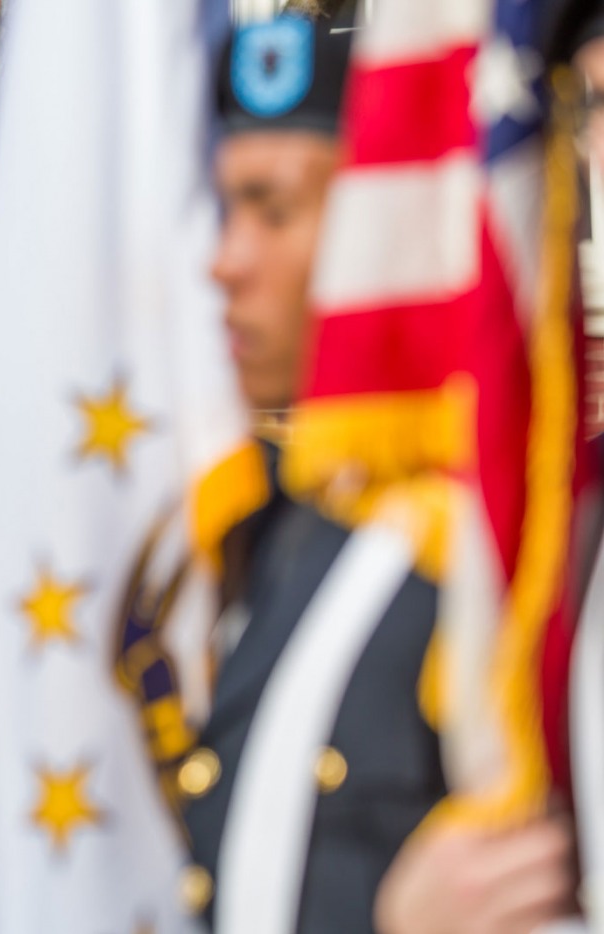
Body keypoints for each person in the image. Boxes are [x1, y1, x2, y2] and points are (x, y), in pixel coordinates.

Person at [175, 14, 577, 933]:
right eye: (223, 210)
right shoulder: (287, 529)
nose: (226, 260)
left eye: (275, 210)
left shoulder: (509, 537)